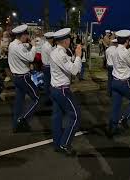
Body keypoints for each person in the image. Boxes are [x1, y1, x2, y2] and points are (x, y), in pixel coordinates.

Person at [50, 28, 82, 156]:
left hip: (55, 88)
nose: (70, 41)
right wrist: (79, 56)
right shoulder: (60, 54)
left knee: (57, 117)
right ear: (65, 41)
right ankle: (64, 144)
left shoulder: (56, 51)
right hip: (62, 90)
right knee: (76, 116)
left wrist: (74, 57)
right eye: (69, 39)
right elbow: (74, 71)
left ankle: (57, 143)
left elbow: (68, 63)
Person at [108, 30, 130, 137]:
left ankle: (113, 128)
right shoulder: (125, 52)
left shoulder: (114, 50)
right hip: (123, 82)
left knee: (116, 106)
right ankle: (124, 118)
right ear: (127, 40)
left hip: (115, 81)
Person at [8, 24, 38, 133]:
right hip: (23, 77)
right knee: (37, 98)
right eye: (26, 34)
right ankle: (22, 119)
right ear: (23, 35)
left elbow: (24, 50)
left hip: (16, 77)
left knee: (19, 102)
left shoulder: (12, 44)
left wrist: (29, 45)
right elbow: (30, 57)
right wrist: (33, 46)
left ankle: (16, 125)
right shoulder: (18, 47)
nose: (28, 36)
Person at [41, 31, 55, 104]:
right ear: (50, 39)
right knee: (49, 83)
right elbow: (54, 56)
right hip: (48, 67)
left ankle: (48, 98)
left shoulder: (45, 45)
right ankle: (49, 98)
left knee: (47, 83)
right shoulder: (48, 47)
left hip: (45, 66)